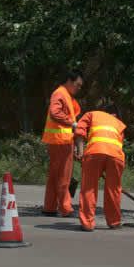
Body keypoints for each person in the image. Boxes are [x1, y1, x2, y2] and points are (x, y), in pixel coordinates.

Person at [74, 107, 126, 231]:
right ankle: (114, 222)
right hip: (116, 156)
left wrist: (81, 153)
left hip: (94, 153)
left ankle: (87, 223)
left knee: (89, 188)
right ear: (113, 114)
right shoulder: (119, 124)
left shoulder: (91, 114)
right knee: (113, 189)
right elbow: (118, 144)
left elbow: (80, 131)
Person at [40, 71, 83, 217]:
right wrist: (73, 123)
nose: (79, 88)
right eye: (78, 85)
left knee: (54, 175)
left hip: (58, 140)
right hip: (61, 141)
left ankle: (50, 207)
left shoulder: (65, 95)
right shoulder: (60, 93)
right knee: (63, 176)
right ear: (69, 81)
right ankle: (65, 208)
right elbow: (55, 112)